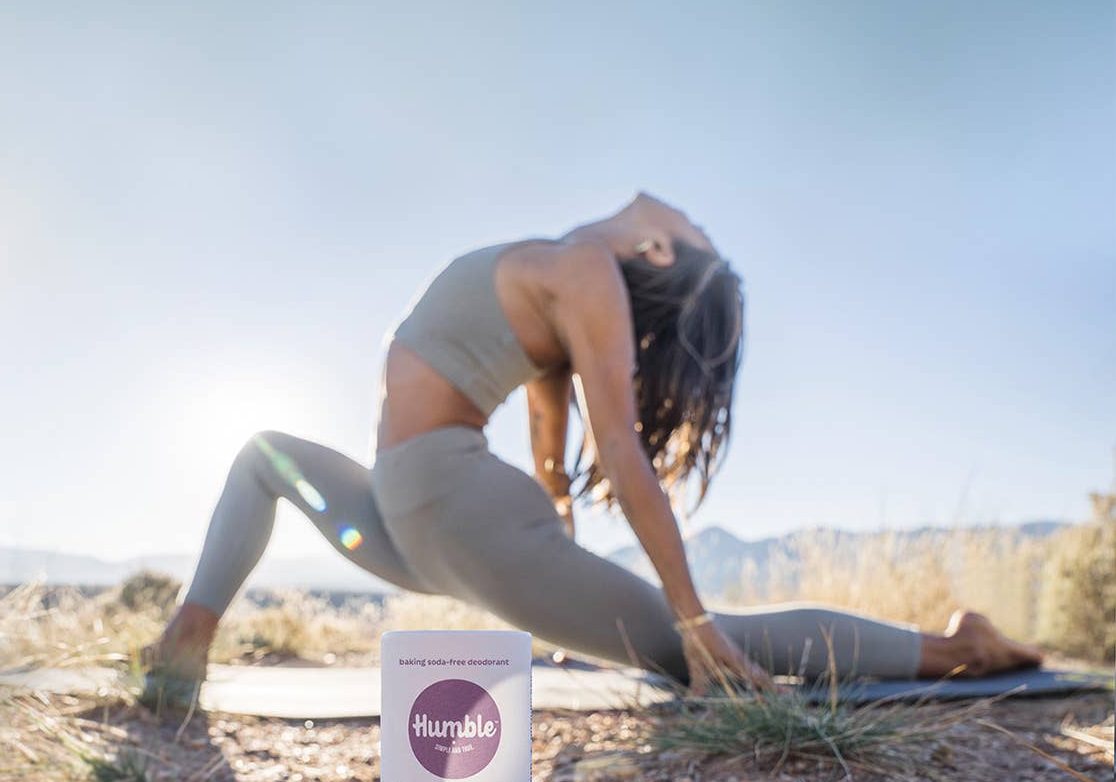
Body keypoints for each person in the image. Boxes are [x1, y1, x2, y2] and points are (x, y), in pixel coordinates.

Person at [139, 191, 1042, 709]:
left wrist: (689, 615)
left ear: (654, 250)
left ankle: (957, 650)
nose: (684, 212)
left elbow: (618, 452)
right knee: (267, 453)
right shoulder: (567, 272)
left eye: (693, 232)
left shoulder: (586, 274)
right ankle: (190, 633)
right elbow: (549, 446)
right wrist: (559, 549)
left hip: (451, 506)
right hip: (408, 512)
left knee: (688, 645)